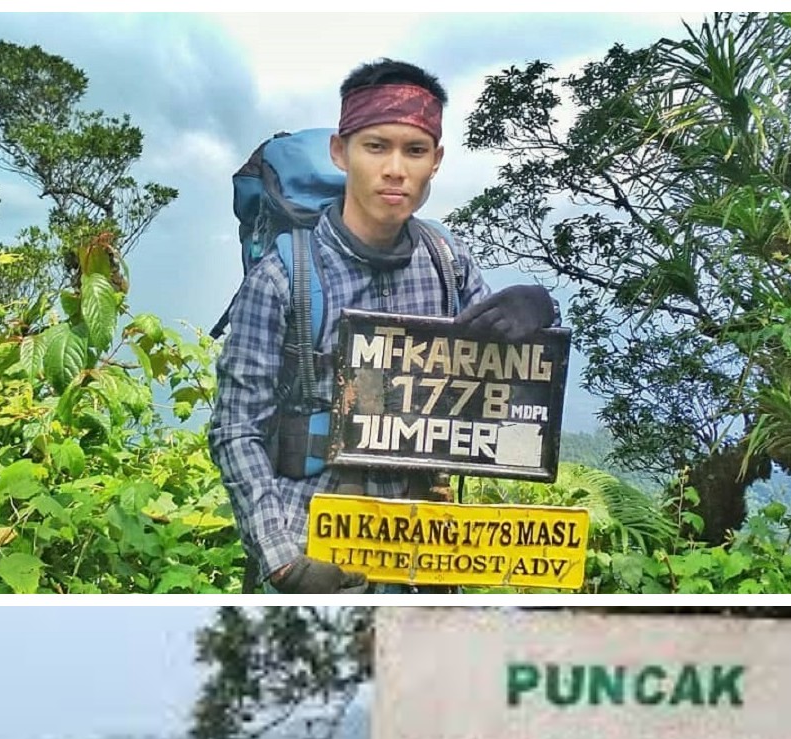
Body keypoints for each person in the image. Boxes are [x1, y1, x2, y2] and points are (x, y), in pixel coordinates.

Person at [209, 58, 560, 593]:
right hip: (312, 549)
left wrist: (538, 315)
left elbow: (495, 377)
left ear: (435, 161)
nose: (395, 169)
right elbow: (236, 429)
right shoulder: (283, 276)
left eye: (414, 150)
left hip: (422, 558)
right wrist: (282, 562)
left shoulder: (447, 260)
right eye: (376, 146)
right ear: (340, 151)